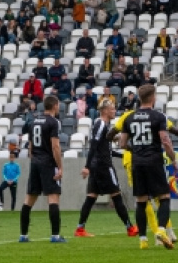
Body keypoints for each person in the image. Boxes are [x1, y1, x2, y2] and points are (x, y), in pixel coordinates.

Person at [118, 84, 176, 250]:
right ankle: (161, 230)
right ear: (152, 97)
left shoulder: (129, 118)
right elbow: (165, 140)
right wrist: (173, 159)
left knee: (141, 201)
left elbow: (122, 143)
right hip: (154, 161)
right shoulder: (158, 117)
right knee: (164, 197)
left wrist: (135, 149)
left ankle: (143, 240)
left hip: (137, 162)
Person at [74, 100, 139, 238]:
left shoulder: (105, 125)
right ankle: (130, 227)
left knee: (91, 198)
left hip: (97, 165)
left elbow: (106, 149)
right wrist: (86, 166)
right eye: (112, 109)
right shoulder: (101, 124)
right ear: (104, 111)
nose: (114, 111)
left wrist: (124, 155)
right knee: (116, 195)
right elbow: (94, 145)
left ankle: (80, 229)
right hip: (103, 166)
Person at [19, 94, 66, 244]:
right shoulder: (54, 122)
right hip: (48, 163)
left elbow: (31, 145)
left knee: (29, 199)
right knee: (53, 197)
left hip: (35, 162)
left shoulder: (34, 121)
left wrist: (33, 159)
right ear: (54, 106)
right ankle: (55, 236)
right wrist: (60, 166)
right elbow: (55, 146)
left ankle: (23, 235)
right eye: (58, 105)